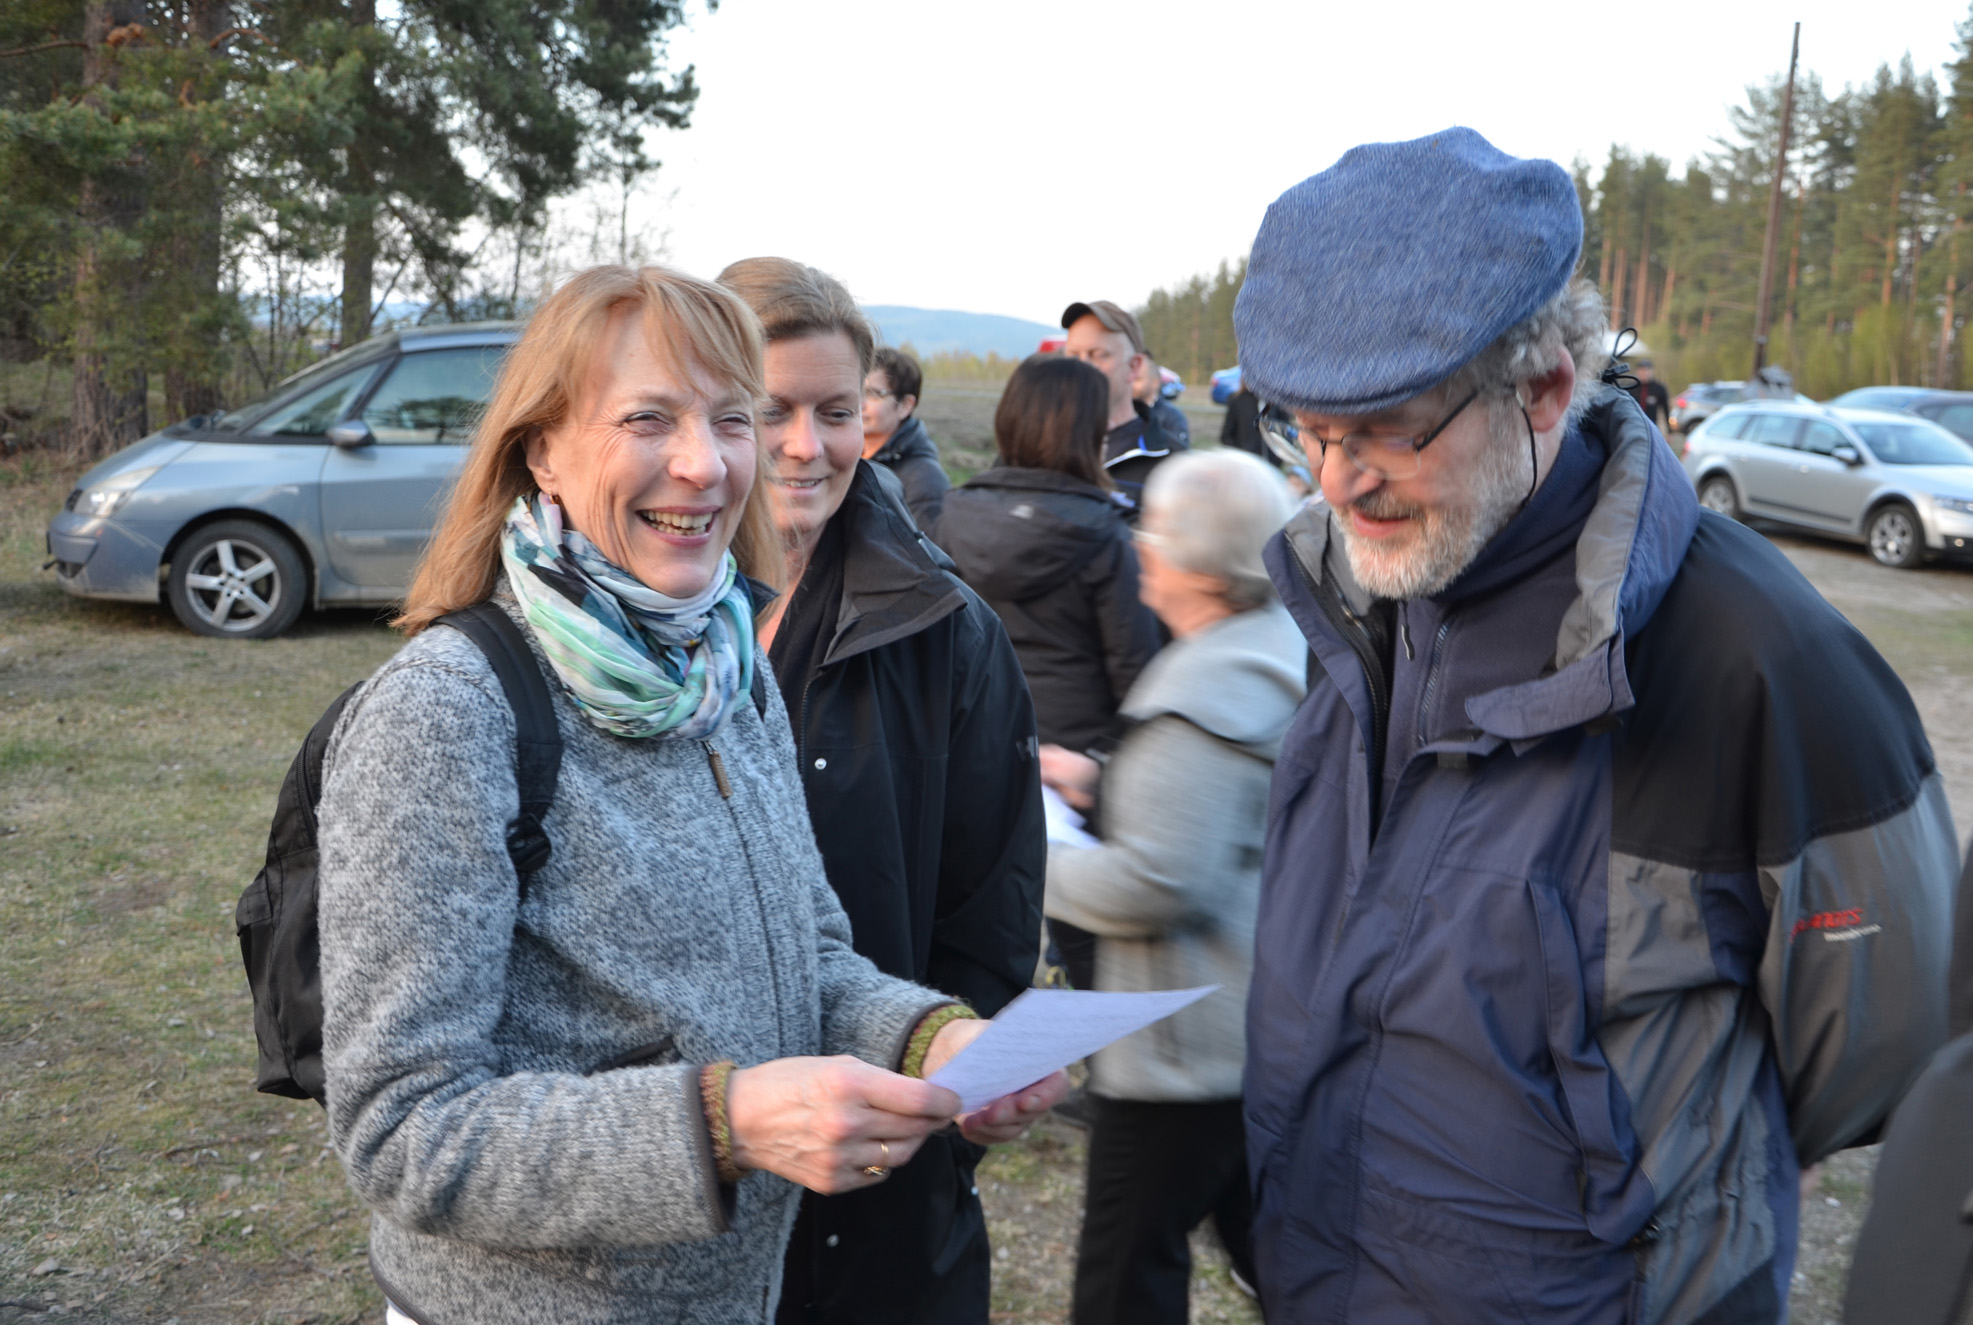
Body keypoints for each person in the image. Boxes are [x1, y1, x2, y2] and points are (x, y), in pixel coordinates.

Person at [1231, 128, 1959, 1323]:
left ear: (1544, 389)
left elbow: (1881, 1044)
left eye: (1384, 429)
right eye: (1304, 430)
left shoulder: (1757, 662)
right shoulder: (1357, 593)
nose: (1334, 482)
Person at [315, 264, 1065, 1325]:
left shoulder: (723, 667)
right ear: (542, 449)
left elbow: (806, 955)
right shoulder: (447, 710)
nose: (705, 464)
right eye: (648, 419)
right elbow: (403, 1128)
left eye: (728, 419)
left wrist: (934, 1039)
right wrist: (727, 1123)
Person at [716, 258, 1046, 1325]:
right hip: (678, 1182)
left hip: (882, 1183)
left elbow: (986, 900)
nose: (805, 446)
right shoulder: (624, 628)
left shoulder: (947, 634)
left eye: (835, 410)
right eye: (768, 411)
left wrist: (958, 1081)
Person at [1039, 449, 1303, 1325]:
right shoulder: (1267, 650)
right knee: (1286, 1258)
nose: (1137, 544)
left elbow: (1155, 884)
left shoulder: (1203, 689)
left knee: (1122, 1281)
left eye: (1150, 527)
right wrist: (1101, 779)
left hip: (1180, 1048)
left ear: (1194, 561)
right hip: (1250, 1024)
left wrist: (1034, 857)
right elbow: (1222, 816)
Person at [934, 354, 1163, 990]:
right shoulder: (1108, 536)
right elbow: (1135, 670)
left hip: (976, 758)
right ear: (1087, 431)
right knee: (1092, 954)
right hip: (1076, 767)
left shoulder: (949, 518)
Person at [1061, 299, 1185, 513]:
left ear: (1134, 366)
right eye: (1073, 355)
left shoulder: (1173, 467)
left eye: (1098, 355)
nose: (1082, 367)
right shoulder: (1033, 444)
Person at [860, 345, 949, 529]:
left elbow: (926, 554)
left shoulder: (924, 479)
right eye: (857, 390)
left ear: (905, 406)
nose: (860, 403)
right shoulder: (847, 457)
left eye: (874, 394)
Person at [1131, 353, 1192, 450]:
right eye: (1131, 379)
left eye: (1138, 380)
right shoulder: (1125, 413)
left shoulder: (1172, 417)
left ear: (1155, 383)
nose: (1132, 385)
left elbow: (1181, 455)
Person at [1630, 358, 1670, 430]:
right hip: (1633, 426)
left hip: (1651, 426)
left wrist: (1669, 430)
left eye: (1647, 370)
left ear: (1652, 371)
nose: (1644, 373)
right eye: (1642, 370)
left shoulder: (1659, 388)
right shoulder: (1631, 388)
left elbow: (1666, 410)